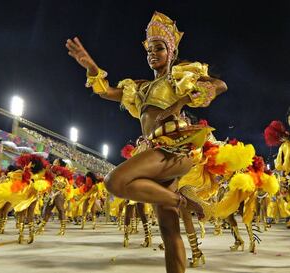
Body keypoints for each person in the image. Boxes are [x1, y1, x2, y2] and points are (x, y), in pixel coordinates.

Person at [66, 11, 227, 273]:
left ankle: (180, 200)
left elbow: (219, 85)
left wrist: (181, 101)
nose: (153, 53)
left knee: (115, 181)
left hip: (176, 147)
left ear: (171, 52)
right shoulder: (140, 88)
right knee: (169, 231)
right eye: (150, 49)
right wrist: (91, 67)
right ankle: (176, 201)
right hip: (156, 152)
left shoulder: (178, 78)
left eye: (160, 48)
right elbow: (106, 91)